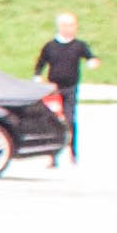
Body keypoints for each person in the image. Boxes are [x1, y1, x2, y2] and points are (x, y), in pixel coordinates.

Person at [35, 13, 92, 165]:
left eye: (73, 25)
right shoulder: (50, 46)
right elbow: (40, 63)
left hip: (71, 88)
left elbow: (90, 57)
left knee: (70, 119)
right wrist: (38, 76)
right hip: (54, 90)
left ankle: (73, 153)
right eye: (66, 25)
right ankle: (53, 156)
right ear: (60, 27)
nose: (70, 28)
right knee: (53, 121)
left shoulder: (79, 45)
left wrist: (92, 61)